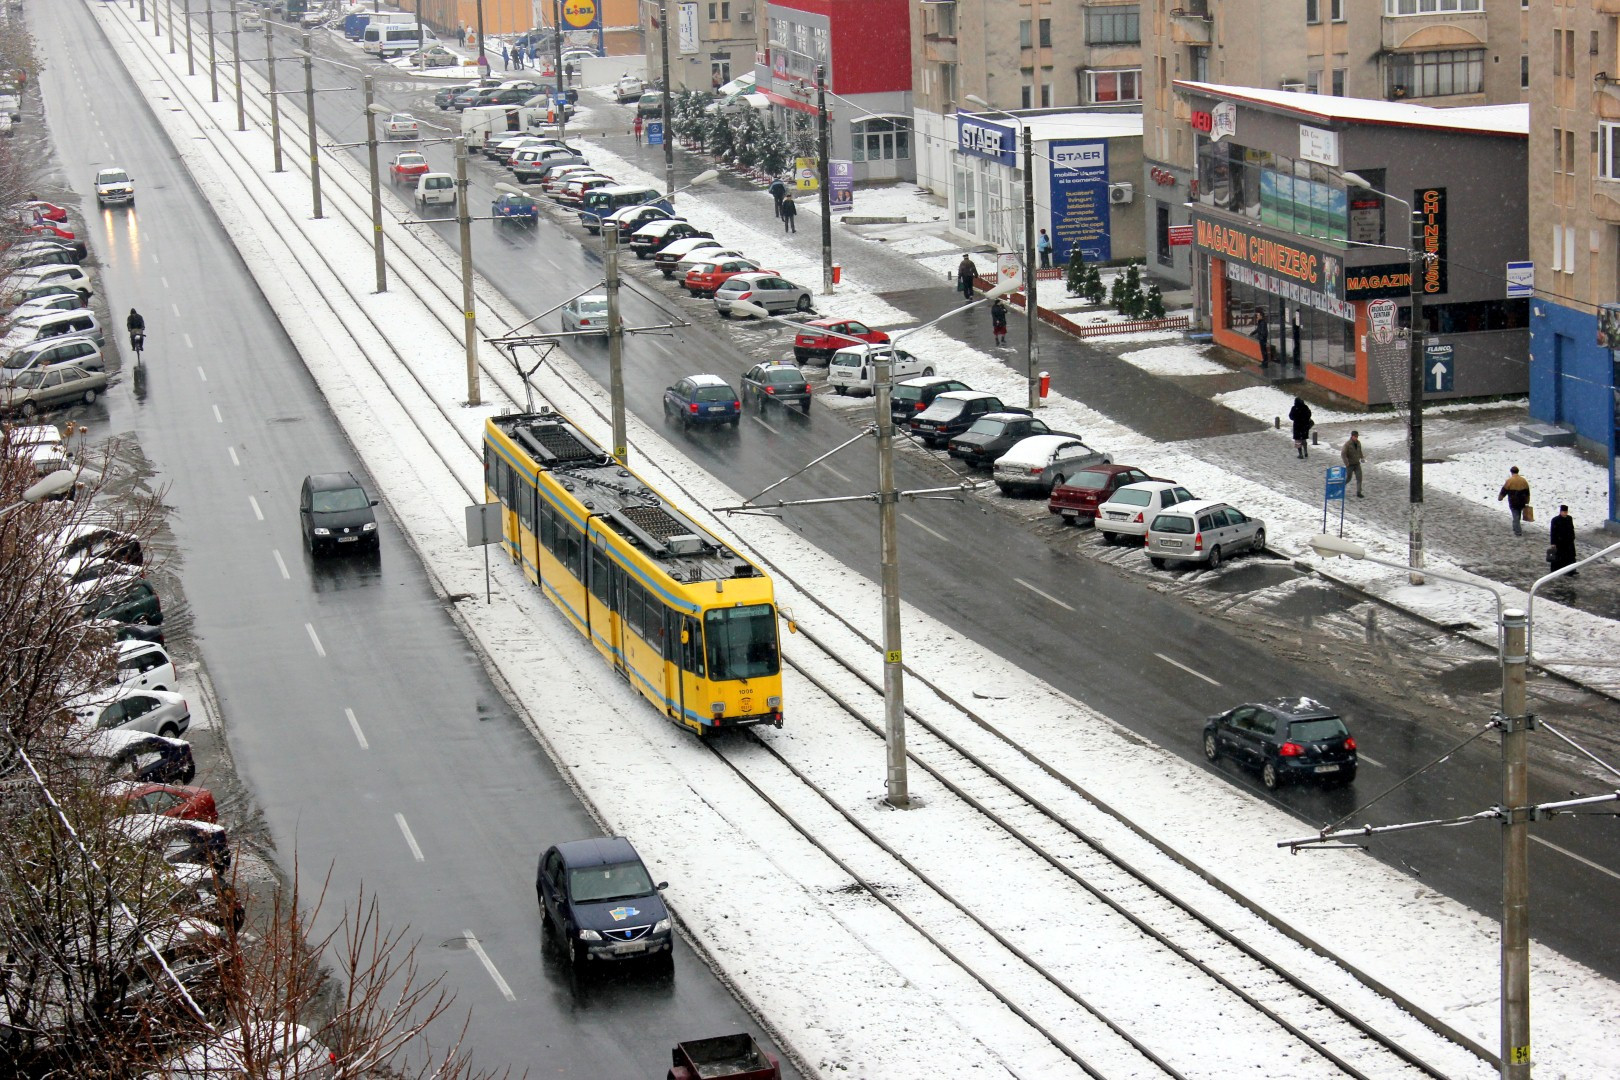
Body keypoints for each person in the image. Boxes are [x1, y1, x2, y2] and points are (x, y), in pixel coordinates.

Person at [1498, 466, 1531, 536]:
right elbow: (1527, 492)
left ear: (1511, 472)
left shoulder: (1509, 481)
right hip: (1522, 501)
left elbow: (1504, 491)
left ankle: (1517, 531)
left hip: (1513, 501)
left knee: (1515, 516)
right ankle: (1515, 527)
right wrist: (1527, 501)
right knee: (1517, 515)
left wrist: (1500, 498)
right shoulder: (1523, 481)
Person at [1549, 505, 1578, 574]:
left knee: (1570, 556)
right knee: (1560, 557)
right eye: (1564, 512)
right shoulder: (1555, 520)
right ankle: (1557, 570)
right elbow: (1553, 532)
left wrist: (1572, 537)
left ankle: (1571, 570)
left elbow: (1571, 529)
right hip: (1560, 542)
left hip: (1569, 541)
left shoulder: (1569, 518)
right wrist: (1553, 543)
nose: (1565, 513)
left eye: (1566, 512)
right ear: (1561, 512)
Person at [1340, 430, 1364, 497]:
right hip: (1350, 465)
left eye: (1357, 436)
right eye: (1355, 436)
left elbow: (1360, 451)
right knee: (1348, 478)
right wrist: (1346, 463)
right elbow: (1343, 454)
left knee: (1359, 478)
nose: (1356, 438)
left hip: (1357, 464)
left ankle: (1359, 492)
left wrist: (1362, 457)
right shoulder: (1347, 444)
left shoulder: (1358, 443)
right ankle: (1341, 486)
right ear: (1352, 436)